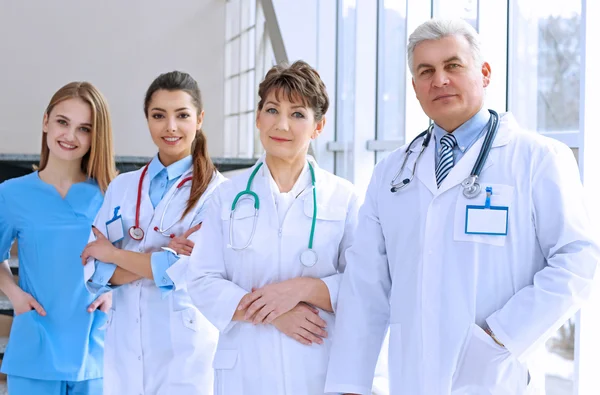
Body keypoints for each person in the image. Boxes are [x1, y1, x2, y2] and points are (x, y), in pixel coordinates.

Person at [325, 18, 600, 395]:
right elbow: (365, 286)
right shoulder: (392, 172)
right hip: (412, 377)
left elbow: (577, 259)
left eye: (453, 65)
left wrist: (501, 336)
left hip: (496, 375)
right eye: (426, 71)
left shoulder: (538, 159)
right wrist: (349, 384)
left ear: (484, 73)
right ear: (415, 87)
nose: (439, 80)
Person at [184, 60, 359, 394]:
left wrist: (302, 289)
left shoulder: (344, 197)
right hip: (247, 369)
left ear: (318, 126)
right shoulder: (227, 197)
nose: (282, 124)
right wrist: (273, 314)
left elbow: (363, 283)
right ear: (258, 118)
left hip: (316, 365)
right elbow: (202, 280)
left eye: (297, 114)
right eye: (272, 110)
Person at [81, 71, 225, 395]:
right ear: (147, 119)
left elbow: (176, 271)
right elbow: (92, 269)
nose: (170, 127)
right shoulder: (122, 186)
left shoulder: (218, 194)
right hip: (124, 346)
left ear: (199, 119)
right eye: (159, 115)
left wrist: (115, 254)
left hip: (185, 348)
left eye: (182, 115)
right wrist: (154, 260)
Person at [0, 82, 116, 395]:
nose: (70, 136)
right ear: (46, 121)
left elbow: (130, 261)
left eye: (84, 128)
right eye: (63, 122)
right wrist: (14, 294)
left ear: (95, 137)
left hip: (95, 347)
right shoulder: (11, 194)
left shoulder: (111, 194)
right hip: (34, 342)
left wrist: (113, 295)